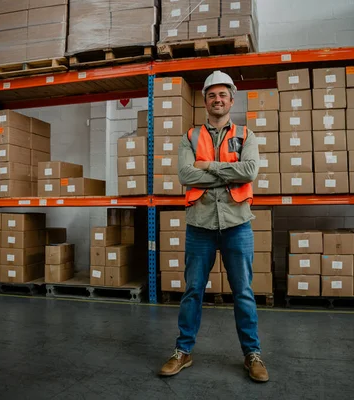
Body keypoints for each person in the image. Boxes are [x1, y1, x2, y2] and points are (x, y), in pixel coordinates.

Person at [158, 71, 269, 383]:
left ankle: (252, 354)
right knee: (192, 290)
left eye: (223, 95)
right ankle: (183, 351)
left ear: (231, 100)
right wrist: (224, 172)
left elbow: (249, 172)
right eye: (211, 95)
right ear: (204, 101)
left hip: (237, 224)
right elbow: (185, 175)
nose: (217, 100)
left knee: (244, 292)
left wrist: (208, 166)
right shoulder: (190, 137)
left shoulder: (247, 136)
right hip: (200, 226)